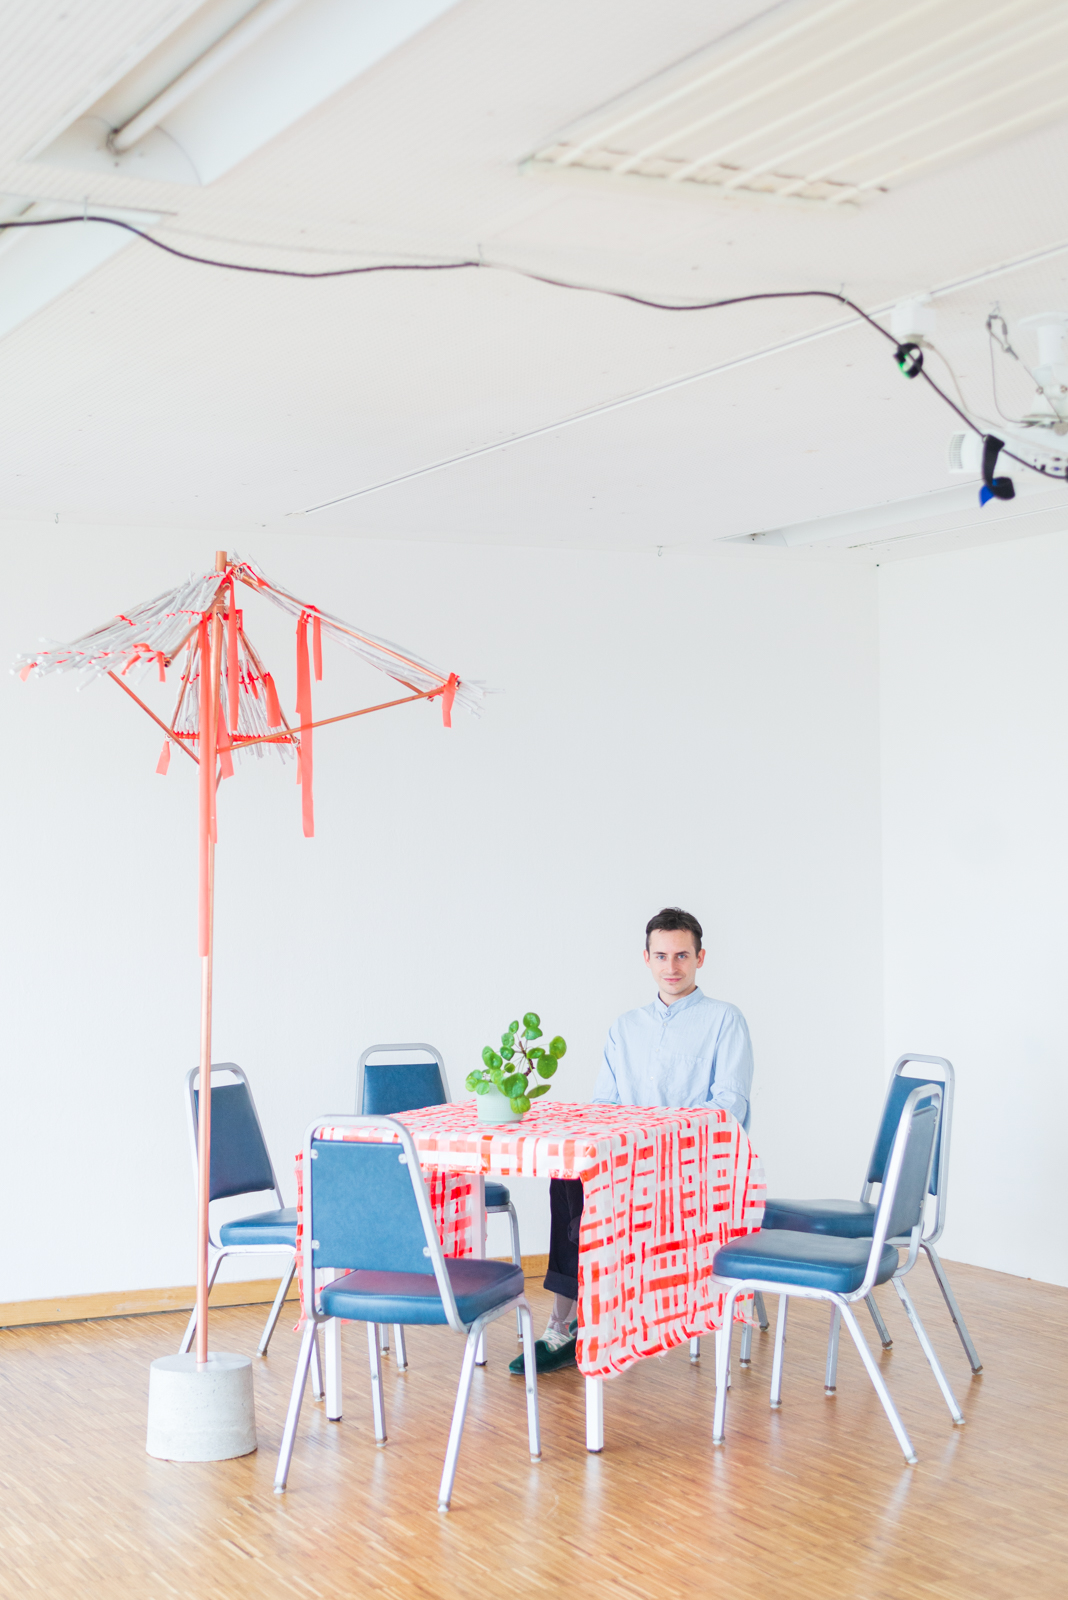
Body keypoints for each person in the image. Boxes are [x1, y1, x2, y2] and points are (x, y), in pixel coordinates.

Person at [510, 906, 754, 1375]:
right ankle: (565, 1323)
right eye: (661, 956)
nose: (671, 967)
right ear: (646, 958)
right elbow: (604, 1104)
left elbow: (729, 1109)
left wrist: (657, 1135)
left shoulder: (725, 1020)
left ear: (700, 957)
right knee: (568, 1178)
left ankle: (587, 1319)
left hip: (689, 1167)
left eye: (682, 955)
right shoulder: (625, 1027)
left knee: (584, 1199)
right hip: (628, 1160)